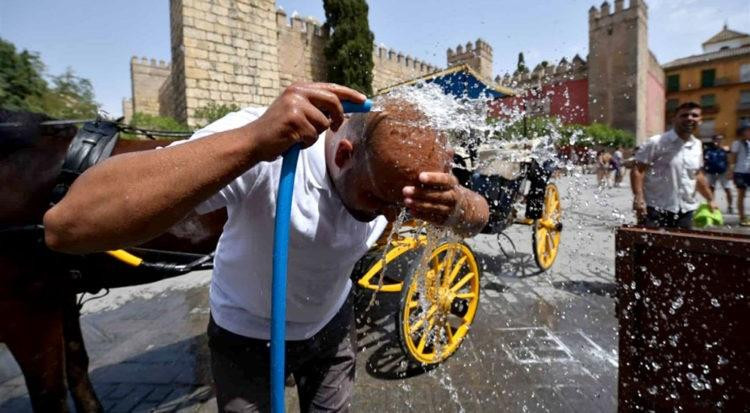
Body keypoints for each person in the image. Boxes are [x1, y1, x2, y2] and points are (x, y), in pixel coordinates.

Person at [43, 83, 490, 412]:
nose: (390, 219)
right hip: (247, 339)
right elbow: (66, 227)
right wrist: (251, 141)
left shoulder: (393, 185)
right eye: (378, 200)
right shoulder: (269, 149)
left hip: (332, 328)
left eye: (403, 206)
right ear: (343, 153)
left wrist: (458, 204)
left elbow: (477, 217)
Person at [631, 102, 718, 229]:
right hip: (656, 208)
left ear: (700, 120)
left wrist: (710, 199)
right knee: (653, 248)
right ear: (674, 119)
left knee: (682, 247)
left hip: (686, 210)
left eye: (694, 115)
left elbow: (697, 175)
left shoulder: (697, 145)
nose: (690, 118)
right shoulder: (656, 142)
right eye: (684, 115)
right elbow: (638, 170)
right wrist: (639, 198)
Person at [703, 134, 733, 214]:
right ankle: (711, 205)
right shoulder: (708, 150)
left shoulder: (725, 150)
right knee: (711, 190)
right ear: (713, 140)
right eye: (717, 139)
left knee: (727, 189)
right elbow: (703, 161)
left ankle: (730, 206)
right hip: (711, 173)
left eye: (720, 139)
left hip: (723, 172)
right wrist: (703, 173)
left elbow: (729, 161)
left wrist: (730, 172)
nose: (718, 141)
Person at [730, 124, 750, 226]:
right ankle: (742, 218)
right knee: (741, 195)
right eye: (748, 130)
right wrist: (731, 172)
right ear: (743, 132)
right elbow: (733, 158)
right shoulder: (737, 143)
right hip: (740, 172)